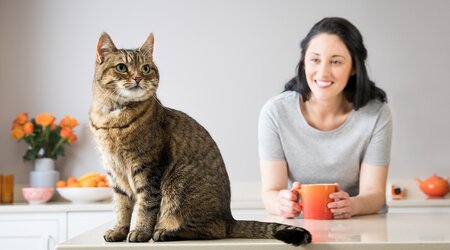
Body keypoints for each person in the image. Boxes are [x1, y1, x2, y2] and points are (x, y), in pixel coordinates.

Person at [258, 17, 392, 219]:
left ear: (354, 67)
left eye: (336, 61)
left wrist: (352, 205)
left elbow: (374, 194)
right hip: (302, 227)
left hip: (360, 225)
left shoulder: (376, 115)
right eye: (315, 59)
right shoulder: (275, 112)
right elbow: (271, 192)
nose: (323, 72)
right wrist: (282, 203)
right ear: (304, 62)